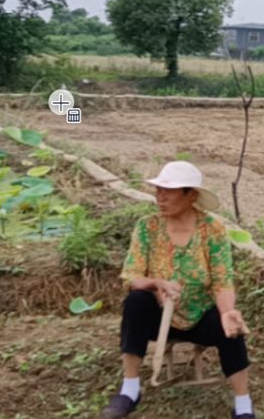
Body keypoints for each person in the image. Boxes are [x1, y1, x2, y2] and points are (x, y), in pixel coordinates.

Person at [101, 161, 255, 419]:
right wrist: (156, 284)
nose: (160, 197)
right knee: (136, 301)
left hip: (200, 315)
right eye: (158, 190)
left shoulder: (212, 229)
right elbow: (132, 276)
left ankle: (243, 404)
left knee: (230, 325)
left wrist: (228, 311)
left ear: (191, 195)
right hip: (159, 316)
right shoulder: (148, 227)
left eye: (169, 191)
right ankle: (130, 389)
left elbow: (222, 280)